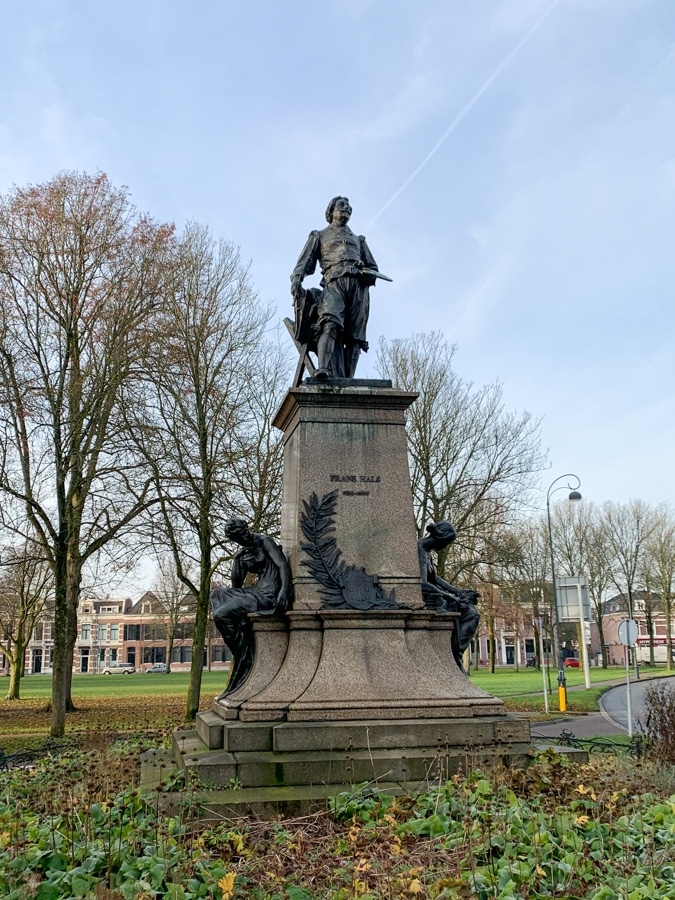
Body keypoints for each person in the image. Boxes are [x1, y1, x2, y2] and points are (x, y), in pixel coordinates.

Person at [290, 196, 382, 379]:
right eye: (341, 205)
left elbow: (373, 268)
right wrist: (296, 279)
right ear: (330, 212)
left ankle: (349, 379)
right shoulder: (320, 236)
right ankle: (322, 368)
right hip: (334, 284)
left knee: (355, 337)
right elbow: (305, 262)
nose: (346, 208)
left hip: (358, 288)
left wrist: (367, 273)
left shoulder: (359, 240)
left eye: (349, 206)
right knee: (330, 324)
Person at [211, 518, 292, 698]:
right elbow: (236, 586)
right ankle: (240, 648)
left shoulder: (264, 541)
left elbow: (282, 564)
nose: (241, 539)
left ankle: (243, 655)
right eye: (236, 538)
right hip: (255, 591)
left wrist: (284, 591)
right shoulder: (242, 554)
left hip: (269, 594)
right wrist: (238, 561)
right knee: (216, 595)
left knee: (221, 614)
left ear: (246, 529)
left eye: (242, 534)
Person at [417, 521, 480, 674]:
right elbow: (422, 583)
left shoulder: (427, 551)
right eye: (447, 543)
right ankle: (454, 654)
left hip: (435, 595)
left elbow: (435, 579)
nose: (445, 547)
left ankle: (454, 654)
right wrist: (451, 597)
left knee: (471, 610)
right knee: (471, 614)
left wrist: (459, 592)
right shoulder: (418, 549)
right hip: (428, 598)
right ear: (441, 537)